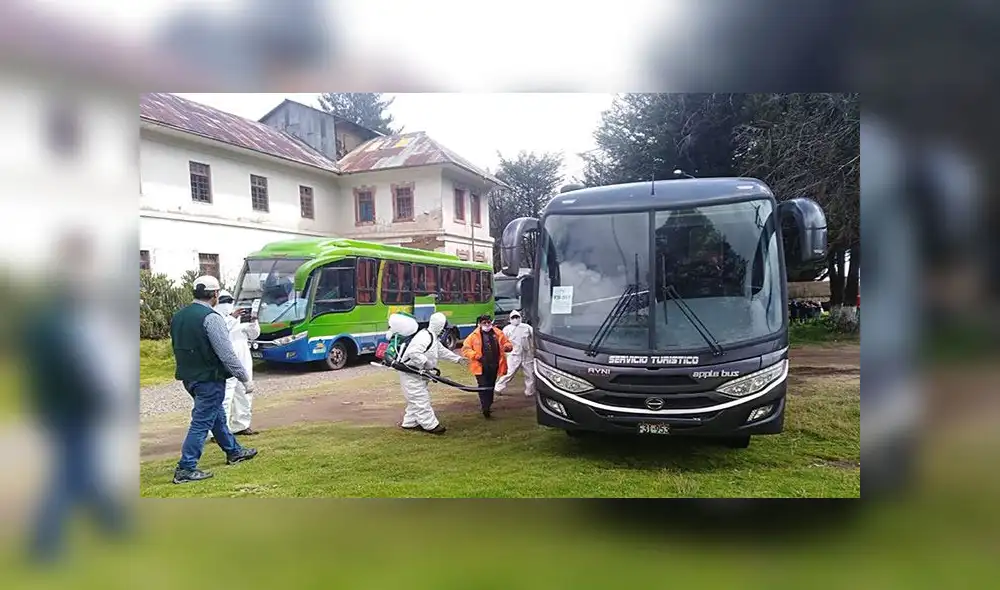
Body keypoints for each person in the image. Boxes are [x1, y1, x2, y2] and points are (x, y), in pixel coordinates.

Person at [171, 276, 258, 484]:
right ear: (215, 294)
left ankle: (234, 451)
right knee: (201, 423)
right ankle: (186, 467)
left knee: (216, 415)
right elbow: (226, 354)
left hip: (189, 377)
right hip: (210, 378)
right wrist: (244, 378)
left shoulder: (179, 316)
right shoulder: (212, 317)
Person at [397, 312, 467, 434]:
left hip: (418, 374)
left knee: (415, 399)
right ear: (439, 326)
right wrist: (426, 363)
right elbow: (414, 353)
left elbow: (441, 351)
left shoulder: (432, 337)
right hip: (410, 373)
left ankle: (410, 422)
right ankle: (431, 425)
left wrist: (458, 359)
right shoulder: (424, 337)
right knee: (421, 399)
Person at [210, 290, 261, 437]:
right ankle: (220, 431)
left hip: (243, 358)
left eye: (230, 301)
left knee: (244, 392)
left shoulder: (237, 321)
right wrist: (232, 318)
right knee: (226, 395)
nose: (228, 304)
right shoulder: (215, 319)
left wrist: (253, 321)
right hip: (227, 360)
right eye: (224, 301)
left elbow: (253, 334)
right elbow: (222, 331)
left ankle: (241, 425)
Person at [461, 314, 513, 419]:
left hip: (494, 365)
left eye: (488, 322)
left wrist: (507, 347)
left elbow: (507, 343)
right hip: (480, 365)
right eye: (484, 323)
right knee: (483, 386)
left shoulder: (498, 333)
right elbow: (465, 349)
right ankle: (485, 407)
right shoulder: (473, 336)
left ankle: (489, 403)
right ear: (480, 324)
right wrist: (476, 356)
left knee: (491, 385)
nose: (487, 324)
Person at [494, 310, 535, 398]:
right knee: (510, 373)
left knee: (530, 374)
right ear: (510, 319)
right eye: (513, 318)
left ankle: (529, 391)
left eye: (517, 317)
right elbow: (503, 341)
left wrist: (533, 349)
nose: (515, 319)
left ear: (520, 318)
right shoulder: (507, 329)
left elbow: (533, 339)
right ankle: (498, 388)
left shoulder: (527, 327)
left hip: (527, 354)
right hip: (513, 355)